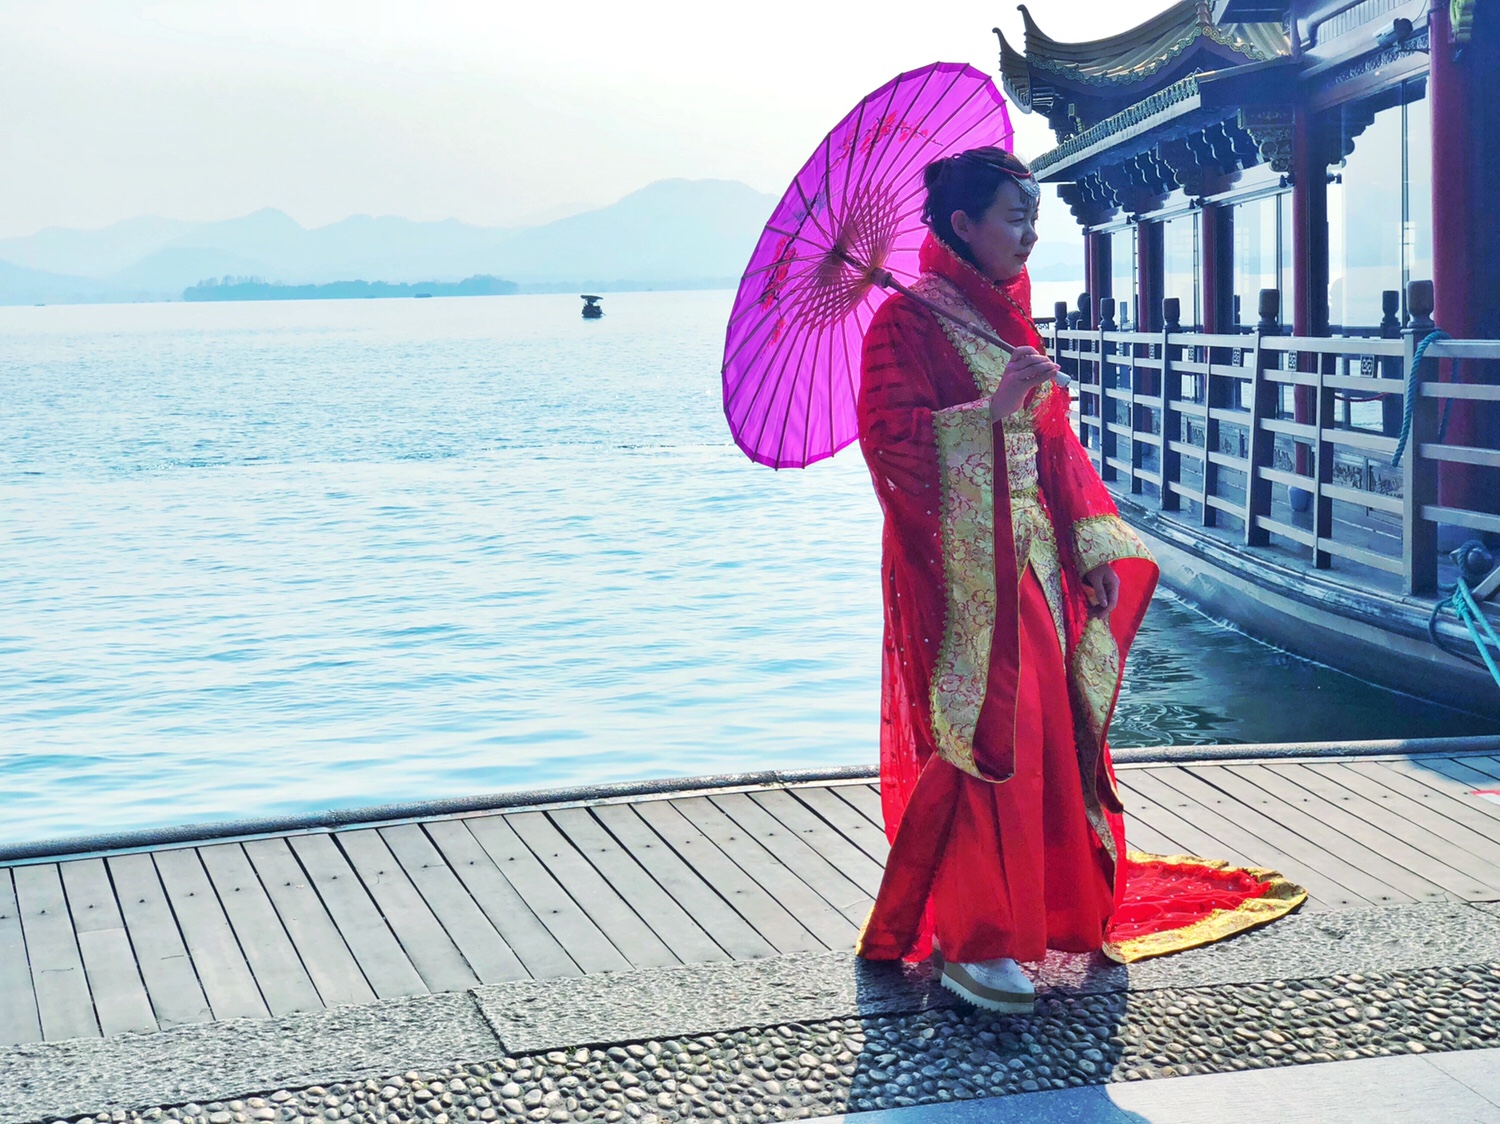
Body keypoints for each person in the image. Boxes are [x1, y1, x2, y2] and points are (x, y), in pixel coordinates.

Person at [853, 147, 1159, 1012]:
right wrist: (989, 412)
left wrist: (1088, 552)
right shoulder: (904, 323)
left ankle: (1049, 909)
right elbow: (889, 444)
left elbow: (1052, 445)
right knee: (988, 729)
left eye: (1034, 220)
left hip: (1032, 548)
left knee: (1051, 722)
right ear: (962, 224)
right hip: (956, 562)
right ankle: (978, 936)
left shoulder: (1006, 318)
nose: (1028, 237)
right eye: (1014, 219)